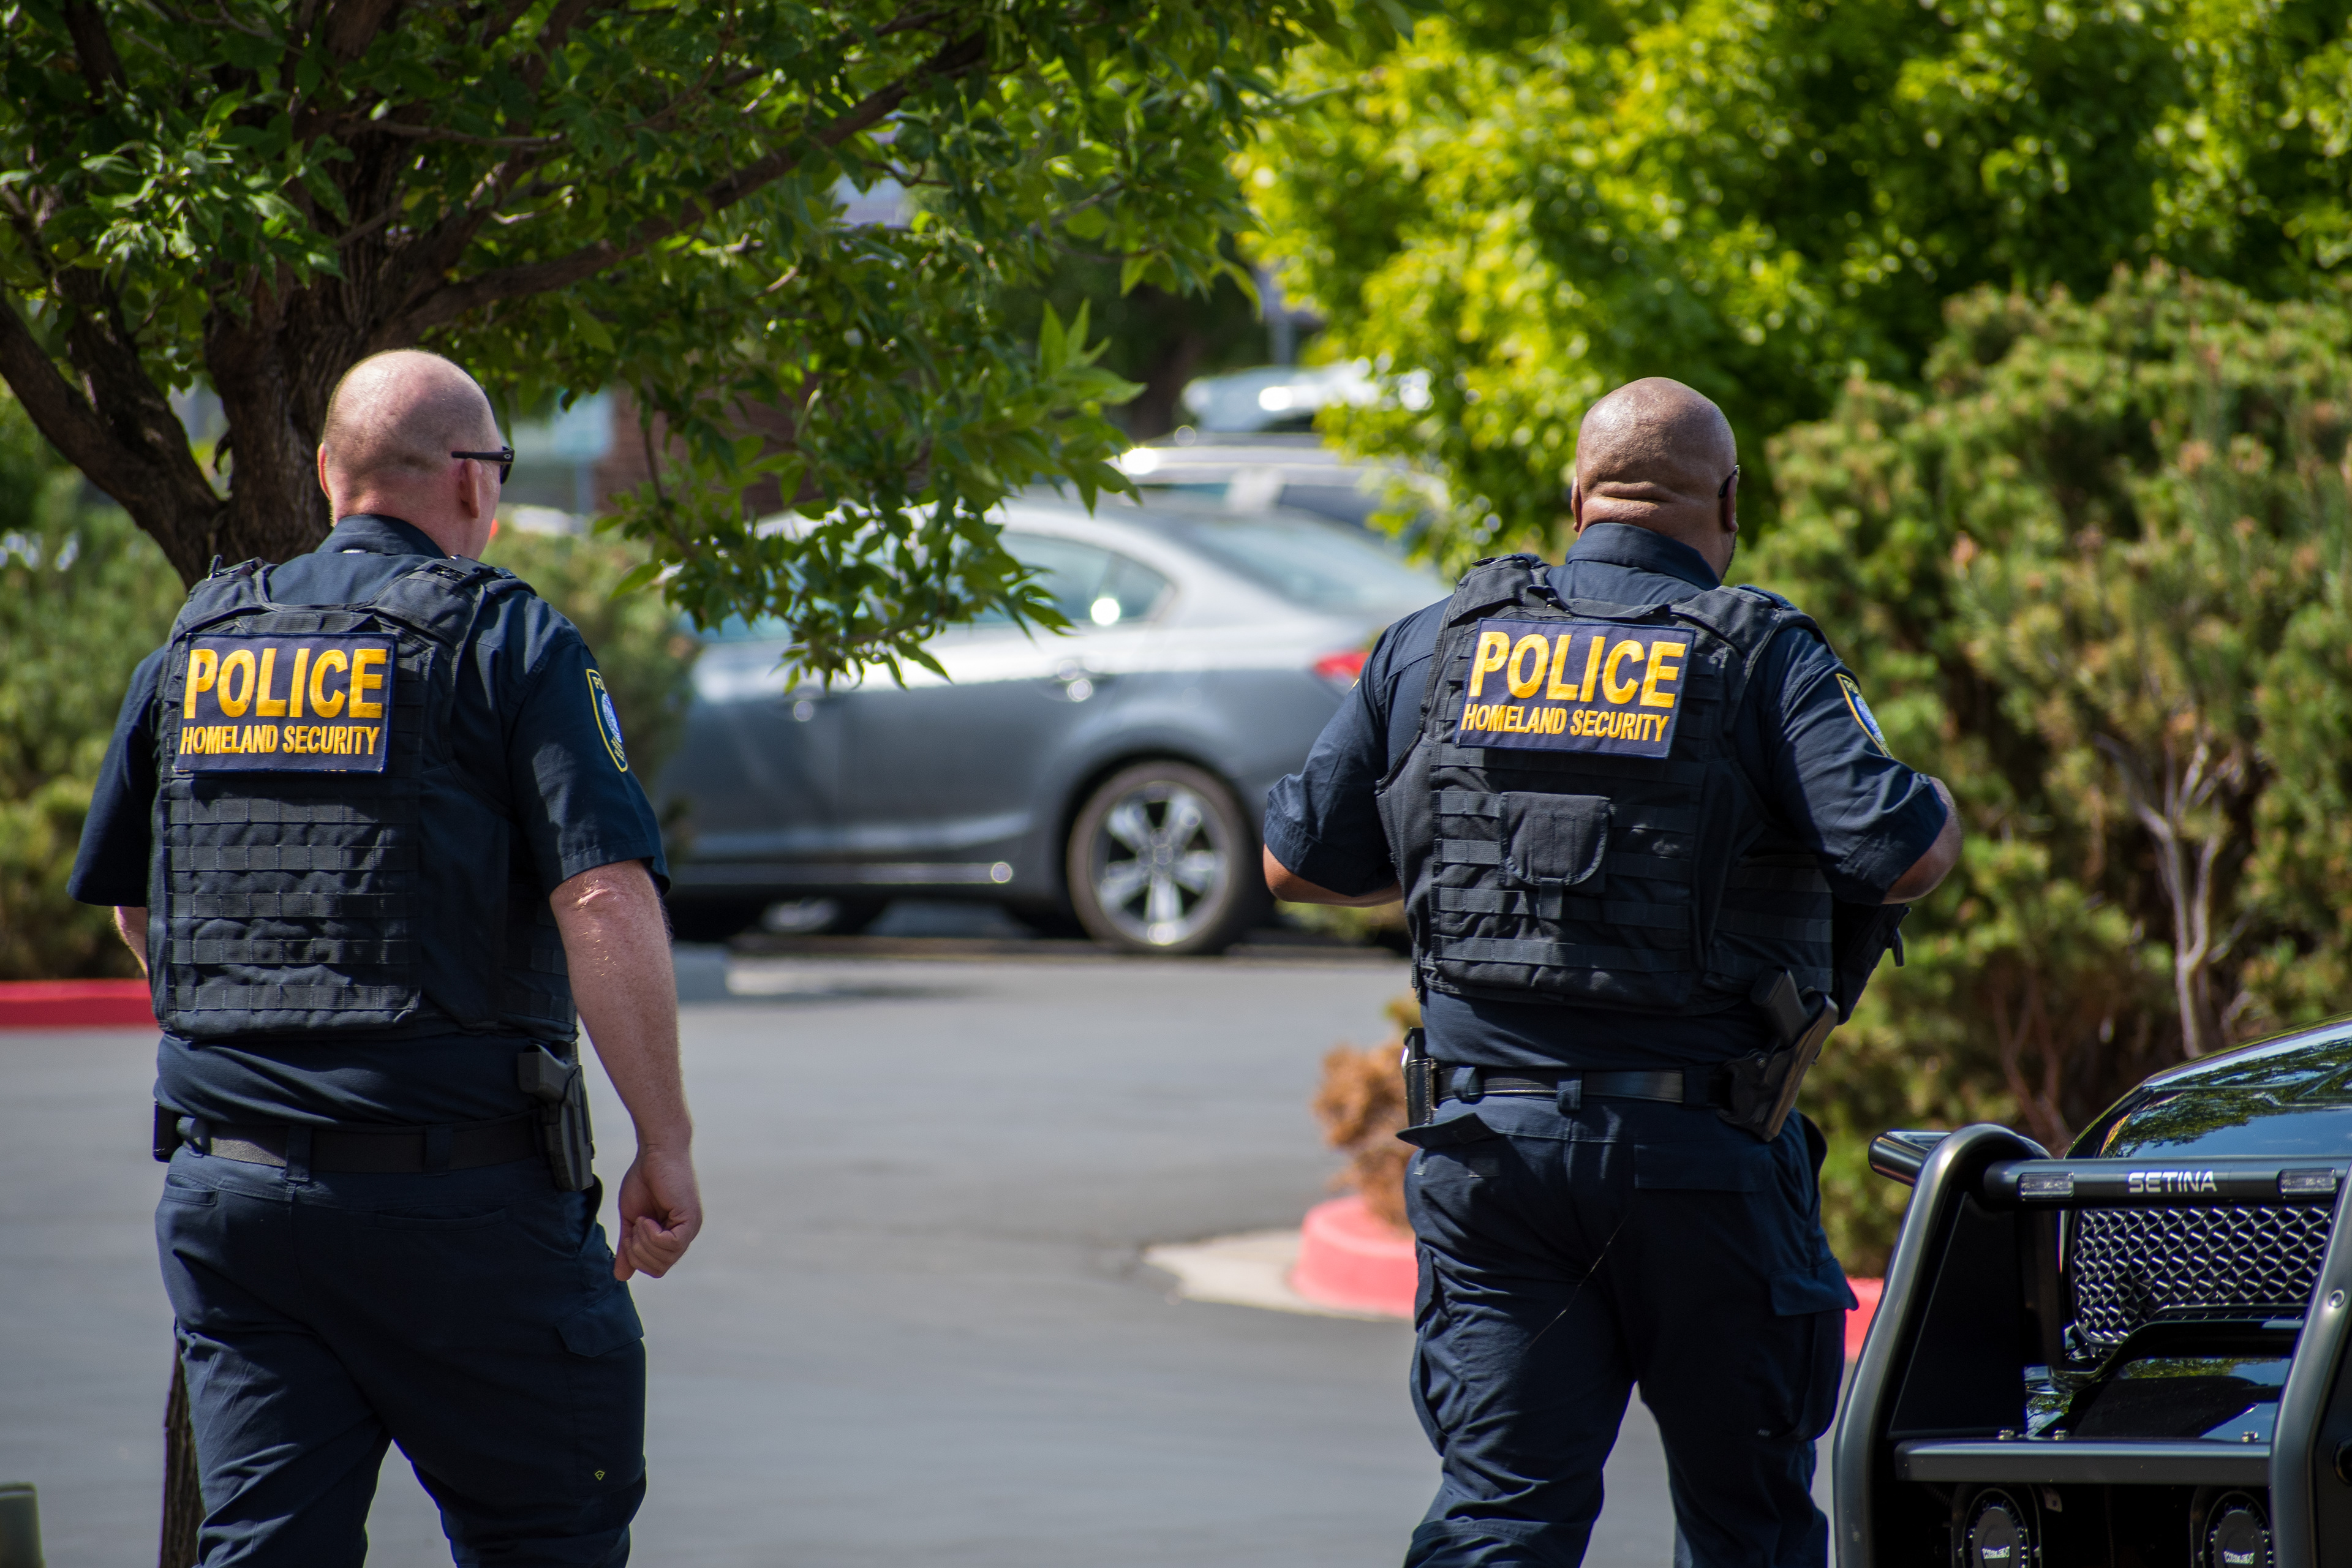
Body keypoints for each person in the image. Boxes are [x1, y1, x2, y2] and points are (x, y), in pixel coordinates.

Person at [1264, 377, 1961, 1568]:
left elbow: (1295, 863)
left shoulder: (1437, 643)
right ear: (1728, 502)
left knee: (1503, 1514)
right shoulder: (1760, 652)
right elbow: (1899, 851)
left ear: (1578, 494)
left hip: (1492, 1159)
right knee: (1747, 1528)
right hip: (1702, 1164)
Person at [68, 350, 701, 1566]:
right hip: (460, 1205)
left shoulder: (202, 643)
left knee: (264, 1549)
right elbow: (605, 899)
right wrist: (662, 1141)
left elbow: (145, 913)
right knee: (547, 1534)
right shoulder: (506, 639)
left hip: (238, 1209)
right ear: (472, 482)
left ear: (326, 473)